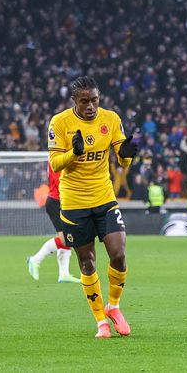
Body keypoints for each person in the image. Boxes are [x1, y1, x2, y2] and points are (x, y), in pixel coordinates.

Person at [48, 76, 138, 338]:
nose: (90, 106)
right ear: (74, 101)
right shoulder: (60, 122)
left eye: (94, 100)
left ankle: (114, 306)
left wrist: (128, 153)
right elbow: (55, 164)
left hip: (104, 198)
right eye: (84, 101)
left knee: (119, 255)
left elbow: (122, 160)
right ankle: (101, 321)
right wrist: (74, 153)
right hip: (75, 203)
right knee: (87, 263)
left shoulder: (110, 119)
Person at [27, 163, 81, 283]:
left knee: (68, 237)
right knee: (67, 238)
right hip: (57, 201)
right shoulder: (58, 157)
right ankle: (35, 259)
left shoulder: (61, 156)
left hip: (62, 200)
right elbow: (60, 181)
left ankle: (64, 274)